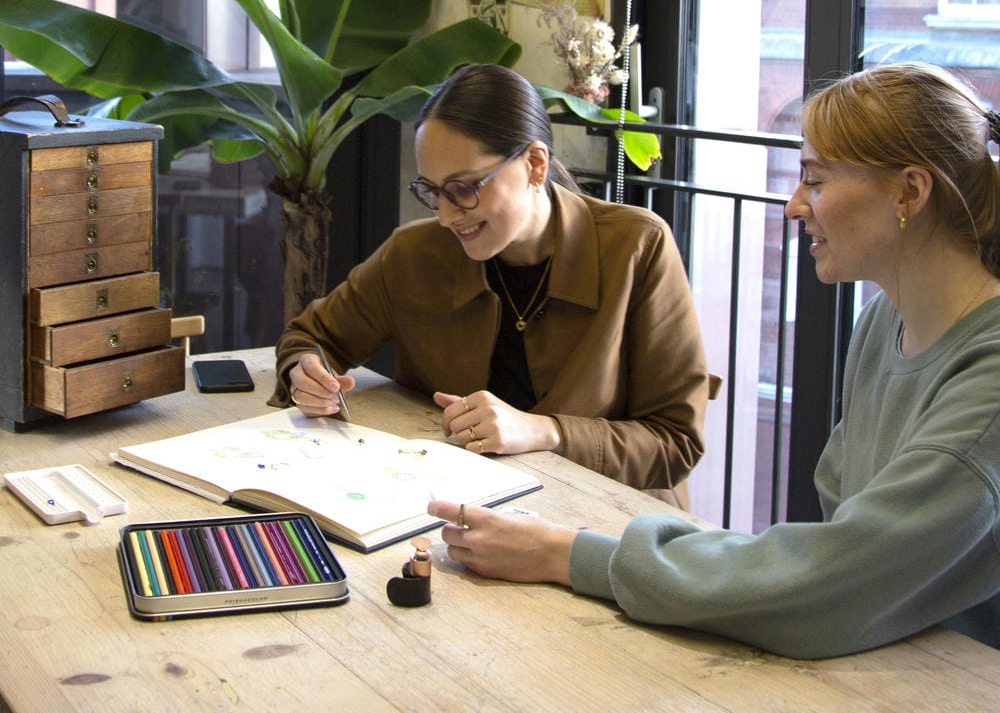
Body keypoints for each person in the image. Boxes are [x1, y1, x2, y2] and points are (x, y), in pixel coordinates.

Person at [428, 61, 1000, 659]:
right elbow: (840, 552)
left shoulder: (986, 382)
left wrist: (565, 555)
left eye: (817, 181)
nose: (794, 205)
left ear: (911, 191)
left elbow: (831, 579)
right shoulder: (885, 322)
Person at [274, 63, 716, 502]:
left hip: (608, 529)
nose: (446, 216)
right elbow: (312, 336)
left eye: (464, 188)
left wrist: (546, 431)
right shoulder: (415, 253)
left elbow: (675, 441)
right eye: (431, 191)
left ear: (535, 164)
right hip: (457, 505)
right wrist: (305, 373)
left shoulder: (637, 246)